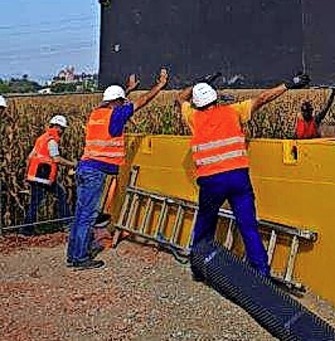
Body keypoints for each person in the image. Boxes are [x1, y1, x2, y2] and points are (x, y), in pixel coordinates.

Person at [178, 71, 310, 277]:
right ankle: (261, 272)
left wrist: (199, 81)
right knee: (248, 225)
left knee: (204, 225)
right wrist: (288, 84)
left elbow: (180, 98)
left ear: (196, 103)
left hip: (211, 181)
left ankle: (198, 267)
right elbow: (262, 99)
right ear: (215, 98)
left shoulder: (192, 117)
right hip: (238, 178)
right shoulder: (233, 111)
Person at [67, 69, 168, 270]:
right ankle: (80, 258)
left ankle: (73, 255)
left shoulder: (96, 113)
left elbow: (116, 105)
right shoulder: (116, 115)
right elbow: (143, 102)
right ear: (117, 102)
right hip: (96, 172)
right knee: (88, 216)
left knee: (80, 215)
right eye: (121, 101)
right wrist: (159, 86)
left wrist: (128, 90)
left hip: (84, 168)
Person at [22, 114, 75, 235]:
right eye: (62, 128)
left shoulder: (42, 138)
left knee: (36, 201)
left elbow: (30, 156)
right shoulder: (52, 140)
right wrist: (72, 164)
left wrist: (27, 174)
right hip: (43, 176)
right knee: (59, 195)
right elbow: (56, 159)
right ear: (58, 127)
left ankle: (27, 229)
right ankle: (66, 223)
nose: (63, 131)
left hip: (34, 175)